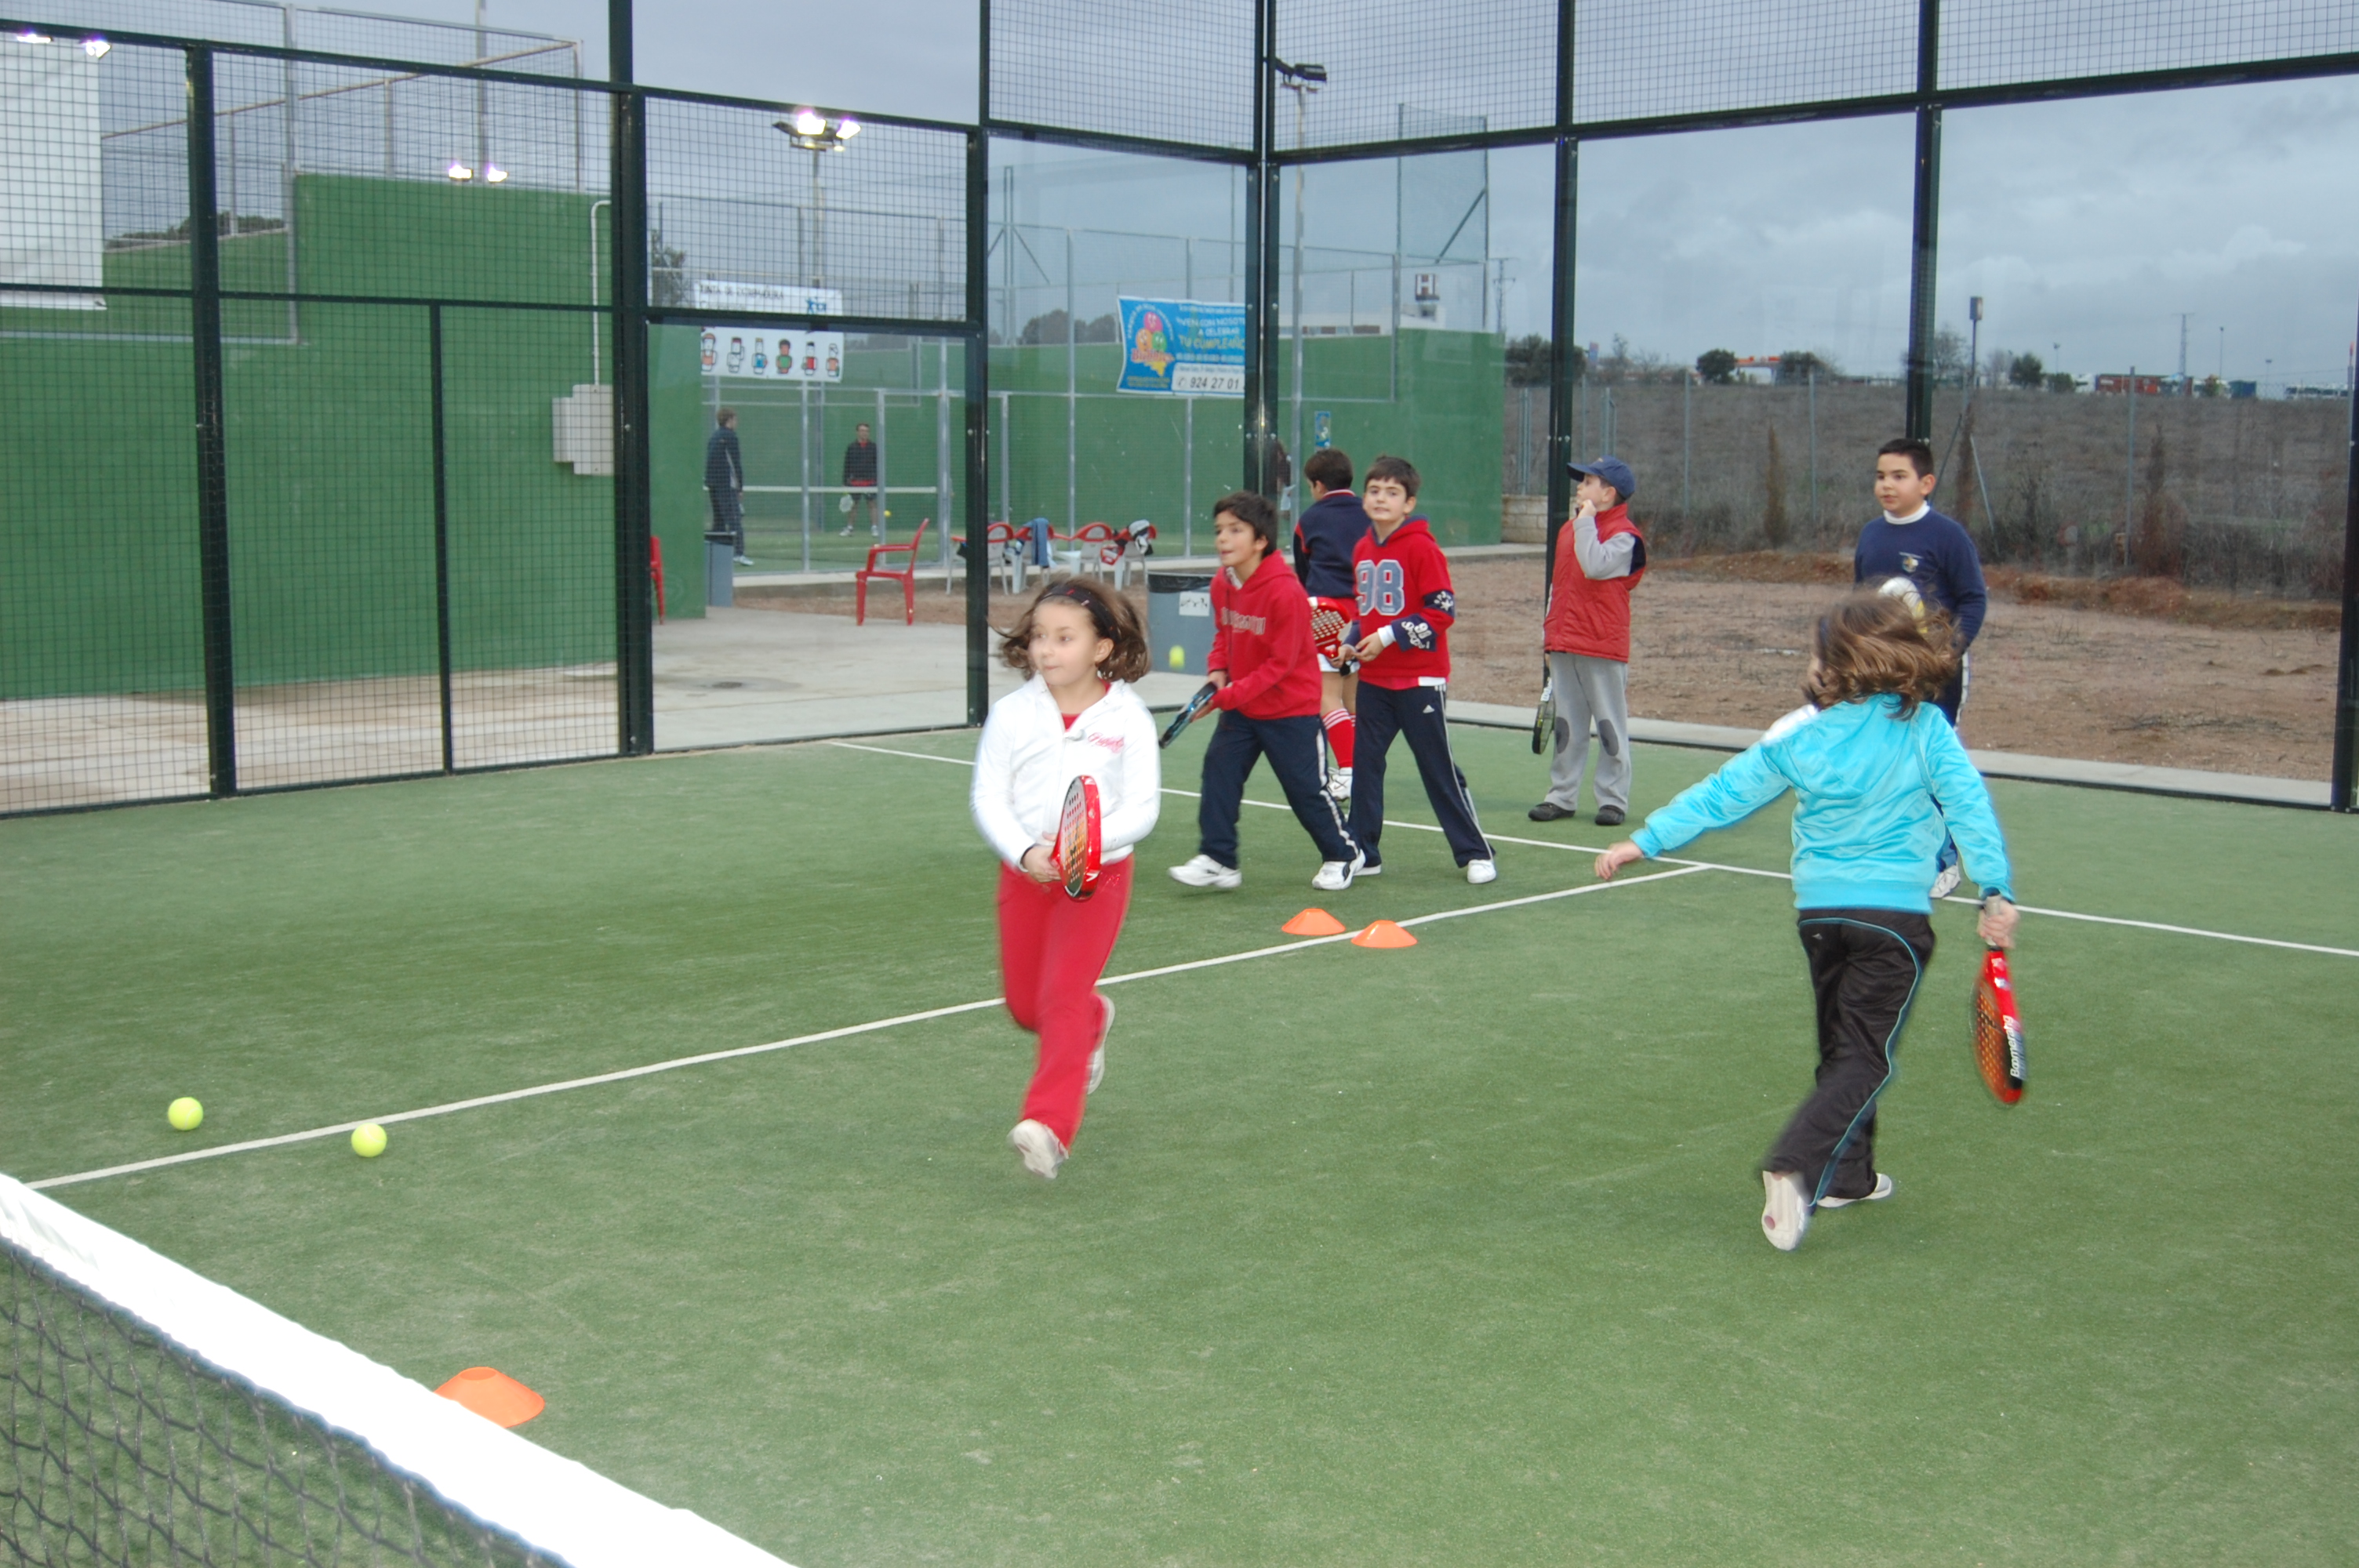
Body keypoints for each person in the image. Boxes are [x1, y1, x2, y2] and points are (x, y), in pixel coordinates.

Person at [1593, 590, 2019, 1252]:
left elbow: (1724, 792)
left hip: (1821, 918)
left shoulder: (1800, 733)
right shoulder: (1924, 728)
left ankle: (1849, 1177)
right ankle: (1795, 1164)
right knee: (1865, 1058)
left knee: (1843, 1050)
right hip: (1893, 920)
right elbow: (1968, 807)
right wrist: (1995, 889)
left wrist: (1646, 840)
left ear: (1841, 663)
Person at [971, 579, 1160, 1181]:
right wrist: (1025, 851)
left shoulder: (1128, 718)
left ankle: (1049, 1125)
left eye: (1063, 638)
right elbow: (988, 796)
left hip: (1099, 880)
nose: (1045, 650)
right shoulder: (1012, 713)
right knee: (1027, 1008)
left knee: (1061, 999)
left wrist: (1085, 846)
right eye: (1038, 637)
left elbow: (1144, 809)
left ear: (1102, 648)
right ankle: (1094, 1021)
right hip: (1026, 875)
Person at [1169, 492, 1362, 894]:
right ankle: (1219, 859)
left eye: (1235, 530)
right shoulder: (1222, 583)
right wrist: (1217, 672)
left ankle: (1344, 854)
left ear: (1260, 540)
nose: (1223, 539)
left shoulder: (1285, 593)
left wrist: (1225, 698)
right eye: (1219, 530)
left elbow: (1280, 666)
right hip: (1243, 708)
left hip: (1290, 710)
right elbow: (1223, 636)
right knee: (1219, 773)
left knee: (1306, 791)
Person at [1343, 456, 1496, 884]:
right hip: (1374, 682)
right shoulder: (1361, 549)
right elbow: (1366, 612)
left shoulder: (1423, 548)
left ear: (1409, 503)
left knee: (1437, 769)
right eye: (1374, 490)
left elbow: (1442, 611)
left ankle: (1476, 852)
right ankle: (1364, 851)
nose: (1381, 499)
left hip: (1420, 682)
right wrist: (1352, 642)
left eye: (1392, 493)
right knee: (1365, 767)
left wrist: (1388, 637)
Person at [1854, 436, 1990, 898]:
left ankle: (1943, 862)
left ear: (1926, 483)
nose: (1887, 485)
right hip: (1881, 674)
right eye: (1880, 476)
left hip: (1937, 678)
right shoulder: (1871, 536)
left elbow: (1973, 600)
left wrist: (1947, 652)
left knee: (1930, 765)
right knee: (1884, 765)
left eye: (1899, 476)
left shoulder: (1947, 536)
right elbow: (1860, 605)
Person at [1530, 455, 1646, 827]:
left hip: (1602, 645)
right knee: (1567, 725)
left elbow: (1594, 564)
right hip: (1565, 643)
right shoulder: (1572, 529)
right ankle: (1561, 796)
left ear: (1608, 493)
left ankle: (1613, 800)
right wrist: (1549, 636)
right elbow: (1559, 585)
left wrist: (1584, 522)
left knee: (1609, 726)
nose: (1579, 488)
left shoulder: (1626, 537)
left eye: (1588, 482)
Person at [1292, 447, 1371, 800]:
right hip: (1364, 619)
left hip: (1327, 617)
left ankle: (1350, 772)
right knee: (1351, 699)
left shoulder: (1309, 519)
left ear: (1318, 485)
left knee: (1327, 698)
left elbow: (1303, 572)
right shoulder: (1370, 513)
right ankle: (1360, 770)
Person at [703, 408, 749, 567]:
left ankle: (716, 554)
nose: (737, 422)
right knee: (734, 519)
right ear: (729, 420)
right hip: (726, 485)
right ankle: (739, 553)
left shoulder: (714, 436)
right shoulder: (730, 437)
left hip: (713, 484)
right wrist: (740, 487)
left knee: (719, 520)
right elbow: (736, 464)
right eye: (735, 419)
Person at [841, 422, 880, 538]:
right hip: (855, 482)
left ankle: (874, 528)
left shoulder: (874, 447)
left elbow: (878, 465)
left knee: (872, 504)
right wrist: (845, 482)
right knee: (853, 505)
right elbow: (847, 465)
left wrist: (876, 480)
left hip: (870, 482)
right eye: (862, 431)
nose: (864, 433)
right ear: (857, 432)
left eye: (866, 431)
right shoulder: (852, 447)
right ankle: (850, 528)